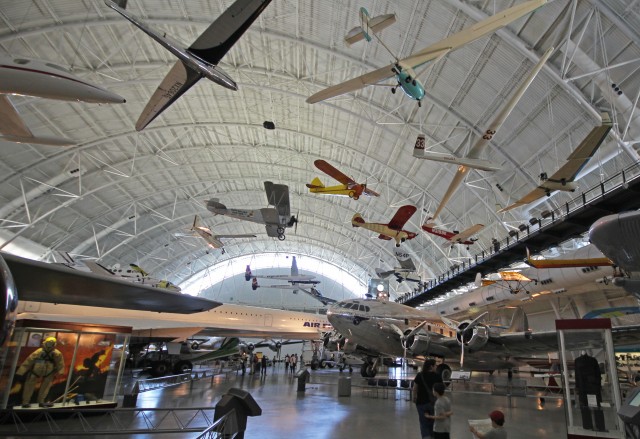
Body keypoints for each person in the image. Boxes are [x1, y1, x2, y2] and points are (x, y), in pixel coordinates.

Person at [15, 336, 65, 408]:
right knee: (29, 386)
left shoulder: (57, 353)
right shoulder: (39, 351)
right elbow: (29, 361)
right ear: (45, 343)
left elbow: (60, 363)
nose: (50, 345)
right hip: (35, 371)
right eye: (49, 343)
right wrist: (20, 372)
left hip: (49, 372)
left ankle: (41, 401)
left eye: (52, 343)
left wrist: (60, 372)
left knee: (46, 387)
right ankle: (25, 402)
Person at [413, 359, 442, 439]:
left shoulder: (420, 375)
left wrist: (414, 397)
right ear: (431, 366)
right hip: (433, 403)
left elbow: (415, 388)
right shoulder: (437, 376)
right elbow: (441, 390)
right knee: (433, 421)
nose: (436, 367)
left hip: (421, 403)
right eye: (435, 365)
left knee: (423, 422)